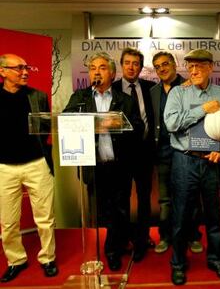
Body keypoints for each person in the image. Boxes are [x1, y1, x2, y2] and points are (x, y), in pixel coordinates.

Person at [64, 52, 142, 271]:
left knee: (121, 210)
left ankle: (112, 249)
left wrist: (115, 124)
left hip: (119, 166)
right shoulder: (80, 98)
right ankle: (113, 245)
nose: (96, 72)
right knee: (103, 212)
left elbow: (138, 128)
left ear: (113, 73)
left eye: (102, 68)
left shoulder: (124, 100)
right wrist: (93, 123)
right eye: (92, 68)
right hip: (93, 165)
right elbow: (66, 122)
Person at [164, 49, 220, 285]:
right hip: (185, 160)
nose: (194, 71)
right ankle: (178, 263)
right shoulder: (178, 92)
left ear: (210, 68)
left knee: (215, 215)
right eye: (190, 67)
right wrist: (202, 110)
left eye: (199, 66)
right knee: (181, 215)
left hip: (213, 161)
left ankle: (216, 259)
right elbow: (172, 123)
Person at [0, 54, 58, 282]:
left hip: (36, 164)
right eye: (18, 68)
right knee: (8, 221)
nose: (24, 72)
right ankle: (16, 260)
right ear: (3, 71)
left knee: (45, 217)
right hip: (4, 167)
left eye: (26, 68)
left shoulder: (38, 97)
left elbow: (45, 132)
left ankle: (48, 258)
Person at [150, 51, 203, 254]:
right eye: (157, 66)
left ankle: (193, 236)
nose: (162, 68)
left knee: (190, 197)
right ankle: (166, 236)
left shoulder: (190, 86)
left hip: (186, 152)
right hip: (163, 153)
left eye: (165, 64)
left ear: (174, 64)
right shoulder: (153, 91)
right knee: (165, 200)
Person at [112, 48, 156, 262]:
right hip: (119, 155)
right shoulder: (110, 89)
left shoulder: (150, 88)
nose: (131, 67)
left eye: (135, 63)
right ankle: (121, 240)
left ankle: (141, 240)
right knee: (121, 200)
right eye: (127, 62)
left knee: (144, 199)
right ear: (121, 65)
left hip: (145, 153)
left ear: (141, 66)